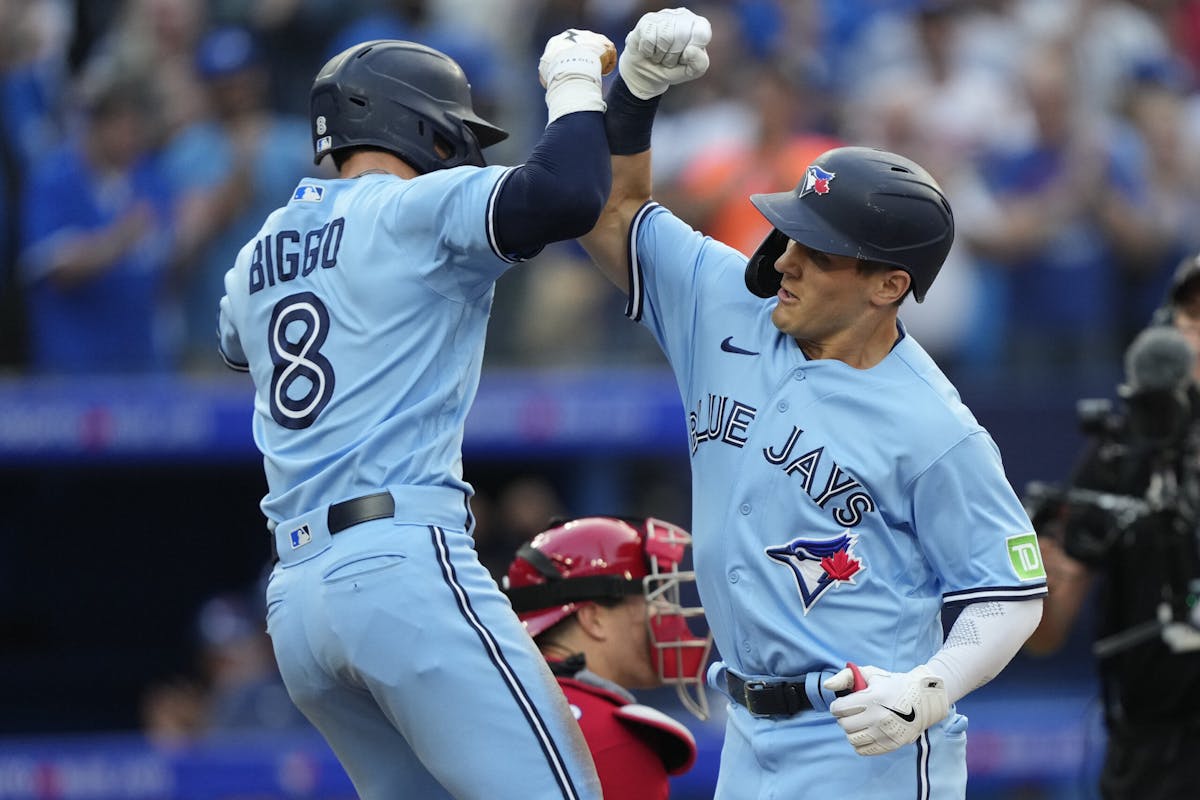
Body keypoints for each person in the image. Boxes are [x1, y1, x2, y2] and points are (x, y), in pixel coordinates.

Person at [578, 8, 1046, 797]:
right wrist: (634, 94)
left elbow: (1010, 594)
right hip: (746, 732)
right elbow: (610, 215)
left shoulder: (935, 424)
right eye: (789, 233)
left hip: (866, 743)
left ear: (888, 285)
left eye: (818, 250)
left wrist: (929, 690)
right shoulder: (726, 304)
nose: (785, 259)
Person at [216, 32, 618, 799]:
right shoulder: (412, 206)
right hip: (398, 563)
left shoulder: (261, 247)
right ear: (420, 125)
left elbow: (237, 341)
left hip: (296, 601)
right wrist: (572, 83)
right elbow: (567, 193)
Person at [1025, 253, 1200, 800]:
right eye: (1192, 320)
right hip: (1153, 753)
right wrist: (1038, 577)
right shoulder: (1123, 453)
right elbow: (1047, 635)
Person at [502, 515, 710, 799]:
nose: (665, 611)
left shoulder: (492, 704)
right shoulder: (623, 740)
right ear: (594, 618)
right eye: (653, 596)